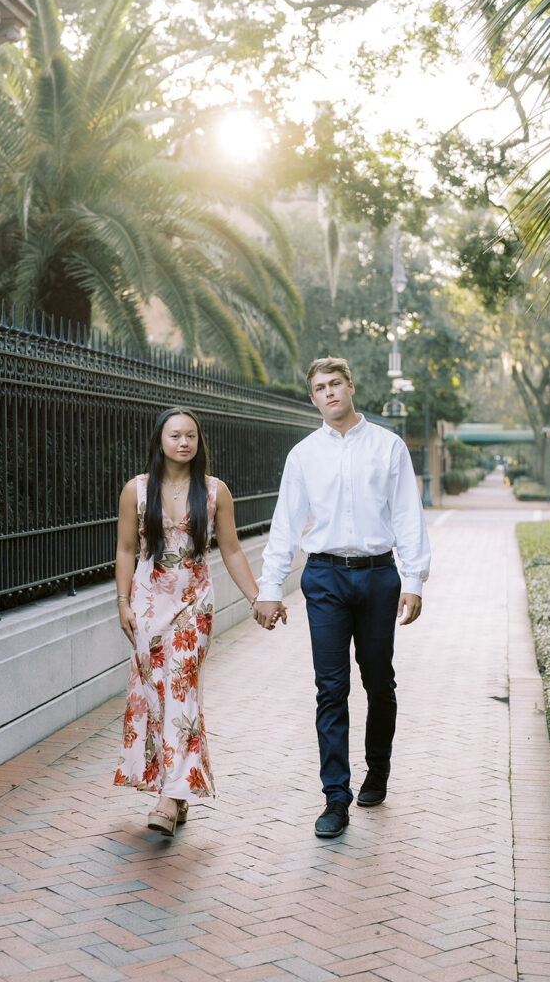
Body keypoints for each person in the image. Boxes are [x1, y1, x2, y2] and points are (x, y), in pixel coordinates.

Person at [254, 357, 430, 838]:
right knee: (330, 688)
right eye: (319, 388)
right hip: (325, 577)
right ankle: (336, 797)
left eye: (335, 384)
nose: (329, 393)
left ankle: (379, 768)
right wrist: (270, 588)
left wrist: (413, 580)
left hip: (378, 578)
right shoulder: (303, 455)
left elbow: (408, 516)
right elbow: (285, 526)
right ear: (312, 398)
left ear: (351, 388)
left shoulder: (388, 447)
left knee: (378, 681)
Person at [114, 407, 286, 836]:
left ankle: (170, 798)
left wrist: (257, 597)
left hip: (194, 607)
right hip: (148, 606)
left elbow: (230, 550)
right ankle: (177, 787)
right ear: (160, 441)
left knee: (181, 690)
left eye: (191, 435)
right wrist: (122, 603)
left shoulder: (214, 491)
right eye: (175, 435)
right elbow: (124, 551)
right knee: (156, 695)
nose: (184, 442)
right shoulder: (135, 491)